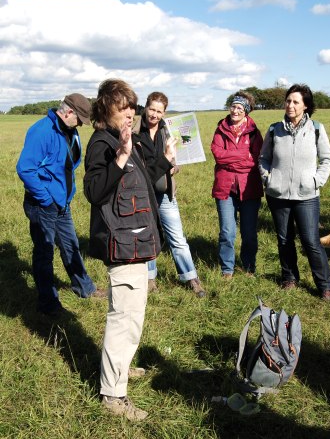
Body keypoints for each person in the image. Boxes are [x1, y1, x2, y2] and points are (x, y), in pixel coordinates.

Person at [83, 79, 171, 421]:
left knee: (132, 317)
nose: (131, 113)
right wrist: (119, 156)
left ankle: (122, 366)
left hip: (136, 243)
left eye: (133, 106)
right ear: (107, 109)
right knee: (124, 320)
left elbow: (146, 181)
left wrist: (165, 161)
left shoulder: (127, 139)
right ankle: (113, 395)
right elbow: (94, 191)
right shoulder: (102, 145)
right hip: (122, 245)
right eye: (124, 107)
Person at [16, 93, 105, 317]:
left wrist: (63, 196)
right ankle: (48, 304)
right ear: (68, 113)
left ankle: (85, 288)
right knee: (45, 252)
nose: (81, 126)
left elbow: (66, 166)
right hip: (42, 204)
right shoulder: (42, 131)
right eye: (80, 120)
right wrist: (46, 198)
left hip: (61, 202)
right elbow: (25, 169)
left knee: (71, 245)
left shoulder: (70, 131)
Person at [258, 83, 330, 300]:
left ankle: (325, 285)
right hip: (278, 194)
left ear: (306, 106)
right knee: (284, 239)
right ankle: (289, 278)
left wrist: (315, 181)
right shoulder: (275, 129)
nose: (290, 105)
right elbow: (263, 158)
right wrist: (268, 178)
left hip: (306, 196)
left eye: (295, 102)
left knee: (311, 241)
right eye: (288, 101)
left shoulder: (317, 129)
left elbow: (327, 160)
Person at [137, 91, 205, 297]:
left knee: (177, 237)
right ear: (146, 107)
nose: (154, 115)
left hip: (166, 194)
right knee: (149, 236)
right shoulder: (134, 131)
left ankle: (192, 278)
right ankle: (150, 279)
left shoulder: (168, 130)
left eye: (159, 111)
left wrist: (174, 167)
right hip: (144, 193)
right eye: (152, 109)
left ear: (164, 112)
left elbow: (177, 161)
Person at [211, 91, 263, 278]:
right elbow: (218, 154)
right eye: (233, 106)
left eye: (240, 108)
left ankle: (249, 266)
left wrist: (230, 160)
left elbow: (256, 160)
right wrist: (243, 155)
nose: (235, 110)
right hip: (225, 188)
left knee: (249, 232)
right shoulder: (220, 129)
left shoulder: (254, 133)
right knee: (227, 231)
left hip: (249, 187)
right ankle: (227, 268)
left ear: (246, 111)